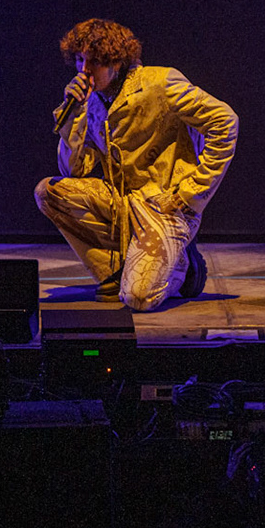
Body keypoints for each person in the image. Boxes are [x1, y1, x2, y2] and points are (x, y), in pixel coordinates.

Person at [33, 18, 238, 311]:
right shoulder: (92, 102)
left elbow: (225, 121)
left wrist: (192, 192)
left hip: (164, 207)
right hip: (122, 206)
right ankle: (112, 273)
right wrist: (74, 114)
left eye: (94, 62)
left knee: (139, 298)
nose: (84, 70)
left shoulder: (160, 82)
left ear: (116, 62)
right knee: (49, 192)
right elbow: (73, 171)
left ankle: (185, 269)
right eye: (80, 60)